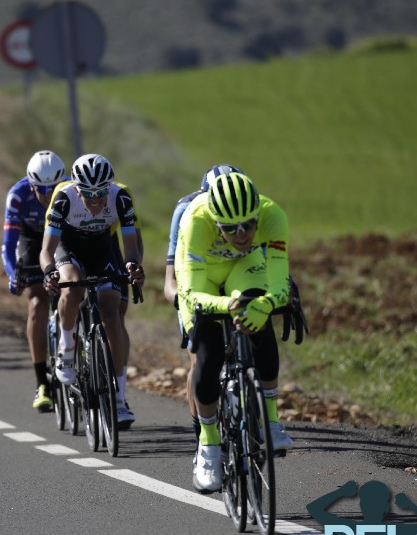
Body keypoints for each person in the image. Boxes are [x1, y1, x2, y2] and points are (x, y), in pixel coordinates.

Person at [174, 171, 295, 494]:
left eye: (248, 225)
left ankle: (270, 421)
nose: (241, 234)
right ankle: (209, 446)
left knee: (259, 322)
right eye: (230, 228)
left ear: (258, 214)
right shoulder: (195, 221)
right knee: (208, 353)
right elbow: (191, 294)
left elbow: (280, 283)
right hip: (203, 278)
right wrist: (227, 305)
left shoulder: (272, 215)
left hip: (244, 267)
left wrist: (265, 304)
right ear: (216, 222)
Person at [40, 154, 145, 428]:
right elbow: (46, 250)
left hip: (102, 247)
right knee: (73, 288)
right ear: (77, 189)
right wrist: (49, 272)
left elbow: (131, 246)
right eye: (88, 193)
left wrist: (133, 266)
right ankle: (66, 347)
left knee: (112, 315)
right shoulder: (63, 198)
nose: (96, 199)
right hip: (68, 246)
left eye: (101, 192)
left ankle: (119, 399)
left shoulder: (120, 197)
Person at [163, 164, 242, 449]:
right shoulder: (187, 211)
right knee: (199, 359)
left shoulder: (246, 210)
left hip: (231, 280)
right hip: (194, 283)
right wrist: (181, 300)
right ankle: (201, 434)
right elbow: (171, 278)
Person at [1, 150, 68, 412]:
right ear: (31, 185)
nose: (48, 195)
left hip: (62, 236)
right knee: (37, 302)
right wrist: (13, 275)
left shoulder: (70, 190)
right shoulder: (17, 196)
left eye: (53, 188)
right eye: (41, 189)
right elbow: (8, 246)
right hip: (31, 240)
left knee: (73, 290)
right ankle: (42, 384)